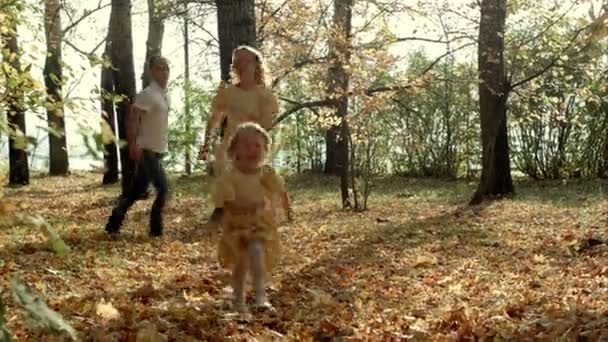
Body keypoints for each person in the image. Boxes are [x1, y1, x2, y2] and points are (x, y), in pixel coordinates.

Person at [213, 122, 291, 312]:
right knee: (240, 263)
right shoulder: (231, 176)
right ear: (236, 150)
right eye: (247, 145)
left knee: (257, 254)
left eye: (258, 145)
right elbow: (227, 202)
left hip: (258, 226)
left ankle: (260, 296)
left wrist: (287, 209)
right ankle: (238, 300)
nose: (253, 149)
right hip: (237, 228)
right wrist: (244, 206)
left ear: (265, 149)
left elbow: (280, 190)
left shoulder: (265, 174)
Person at [198, 45, 279, 229]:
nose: (241, 65)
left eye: (245, 61)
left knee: (250, 184)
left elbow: (266, 126)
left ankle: (251, 219)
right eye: (237, 62)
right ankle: (222, 214)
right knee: (226, 179)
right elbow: (214, 119)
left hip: (254, 147)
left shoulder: (265, 95)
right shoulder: (227, 93)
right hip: (230, 147)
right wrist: (206, 143)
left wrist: (257, 144)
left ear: (256, 65)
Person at [105, 56, 171, 237]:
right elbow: (131, 119)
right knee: (164, 188)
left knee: (135, 192)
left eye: (166, 68)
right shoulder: (147, 94)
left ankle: (113, 224)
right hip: (146, 150)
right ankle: (156, 231)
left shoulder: (164, 94)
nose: (164, 72)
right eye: (159, 68)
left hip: (157, 150)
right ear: (151, 71)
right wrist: (133, 144)